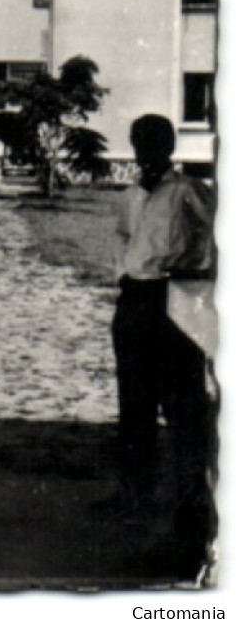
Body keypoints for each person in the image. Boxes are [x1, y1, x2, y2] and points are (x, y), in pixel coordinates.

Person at [108, 114, 215, 539]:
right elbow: (121, 238)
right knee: (134, 401)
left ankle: (193, 498)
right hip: (135, 300)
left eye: (155, 144)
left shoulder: (189, 191)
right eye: (140, 143)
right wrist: (123, 274)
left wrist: (191, 269)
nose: (146, 152)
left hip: (174, 300)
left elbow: (212, 238)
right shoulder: (132, 195)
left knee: (182, 404)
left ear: (169, 147)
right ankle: (135, 492)